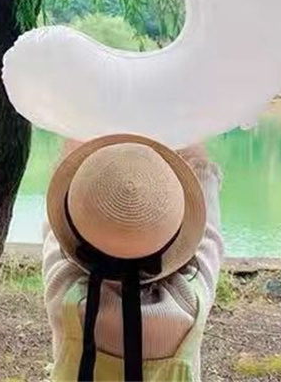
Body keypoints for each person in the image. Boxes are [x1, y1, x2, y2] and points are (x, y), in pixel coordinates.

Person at [42, 134, 222, 382]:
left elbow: (55, 226)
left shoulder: (64, 294)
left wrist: (78, 130)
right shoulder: (189, 304)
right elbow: (209, 235)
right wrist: (192, 143)